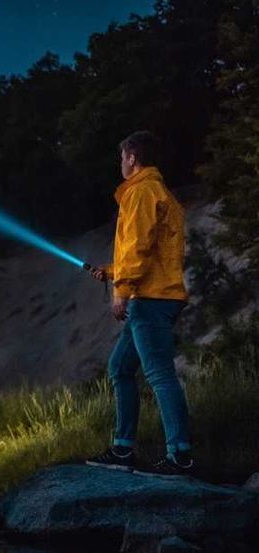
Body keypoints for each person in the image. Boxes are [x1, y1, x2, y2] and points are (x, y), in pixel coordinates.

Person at [85, 131, 193, 478]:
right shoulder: (158, 193)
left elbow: (139, 246)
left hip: (150, 299)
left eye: (122, 157)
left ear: (132, 156)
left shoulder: (142, 191)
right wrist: (112, 271)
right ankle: (123, 449)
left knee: (160, 373)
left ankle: (180, 457)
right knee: (120, 368)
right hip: (154, 294)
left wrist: (122, 288)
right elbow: (152, 251)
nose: (120, 163)